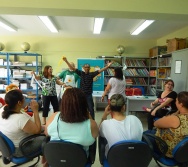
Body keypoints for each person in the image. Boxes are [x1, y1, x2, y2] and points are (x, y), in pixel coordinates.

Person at [43, 88, 99, 166]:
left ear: (63, 104)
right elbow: (94, 137)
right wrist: (87, 113)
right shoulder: (91, 125)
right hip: (79, 162)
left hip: (56, 161)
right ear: (84, 105)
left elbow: (46, 133)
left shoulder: (55, 117)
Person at [0, 89, 45, 157]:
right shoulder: (20, 119)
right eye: (23, 98)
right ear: (19, 102)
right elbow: (37, 131)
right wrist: (35, 111)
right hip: (20, 149)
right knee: (48, 138)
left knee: (44, 129)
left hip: (9, 146)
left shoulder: (3, 109)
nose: (25, 99)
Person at [153, 91, 188, 158]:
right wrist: (179, 110)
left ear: (181, 104)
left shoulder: (175, 119)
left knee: (147, 135)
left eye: (176, 101)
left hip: (172, 152)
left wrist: (166, 118)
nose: (175, 102)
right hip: (185, 151)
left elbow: (156, 123)